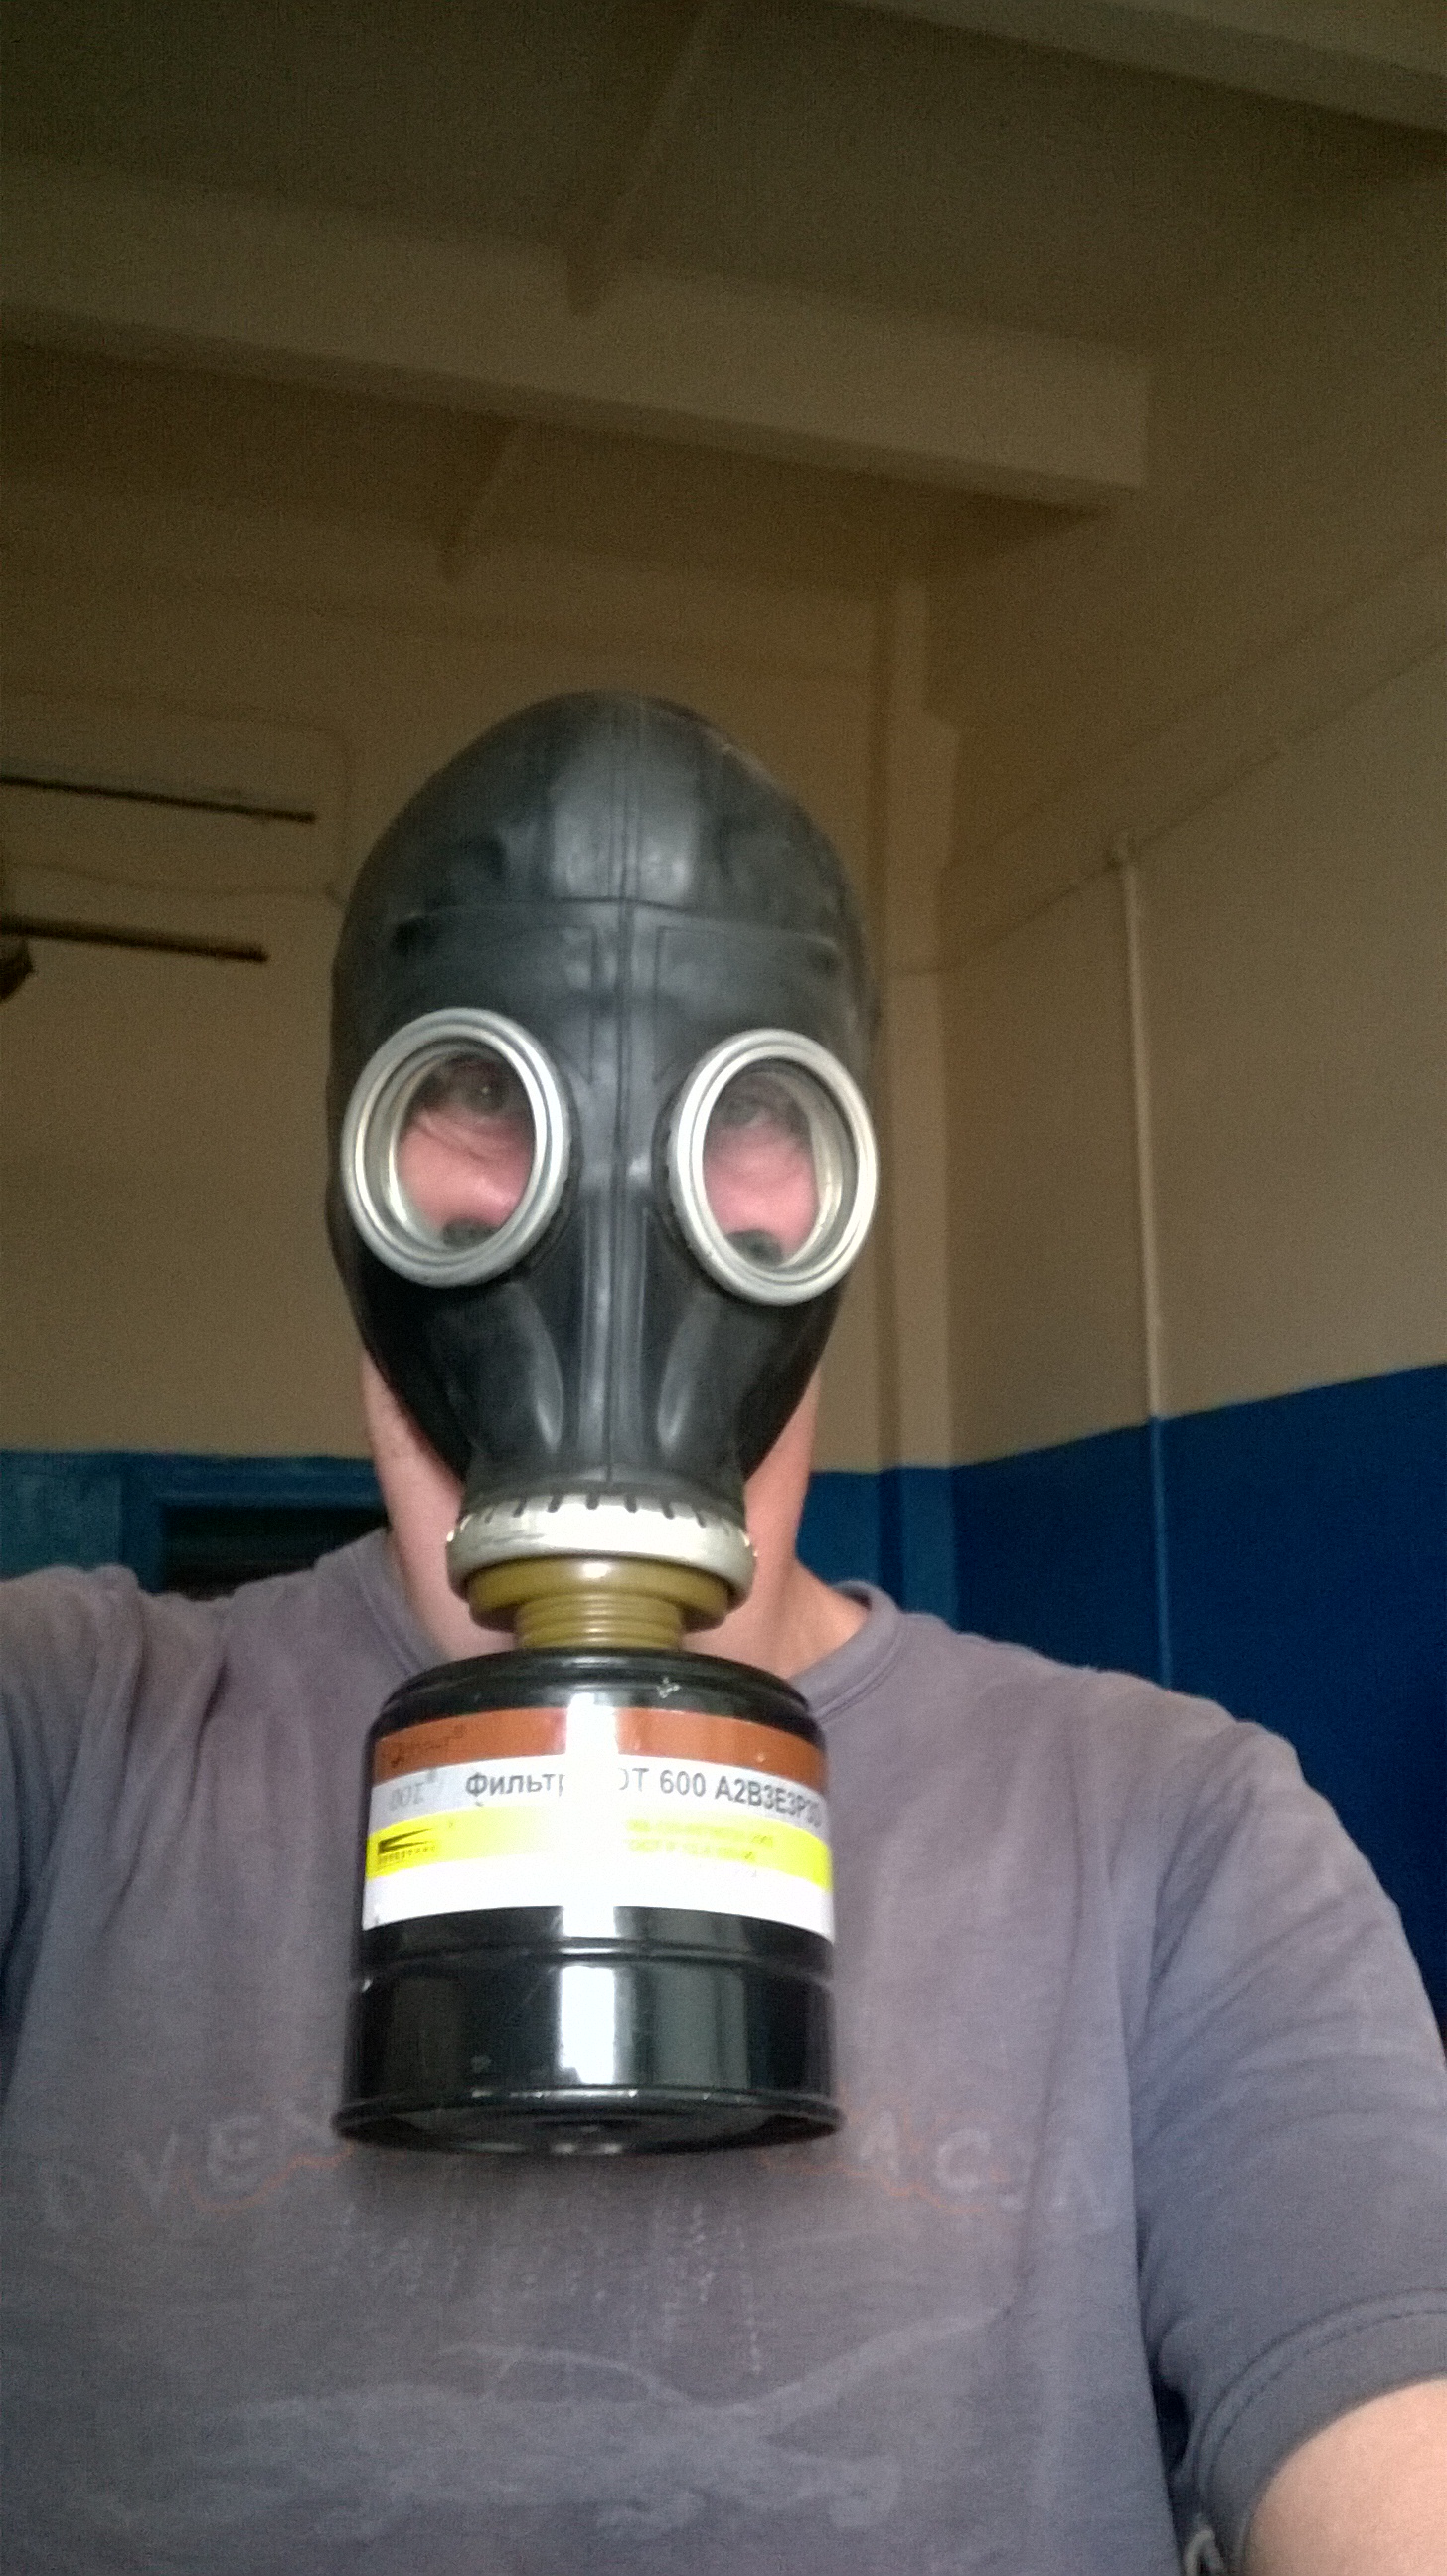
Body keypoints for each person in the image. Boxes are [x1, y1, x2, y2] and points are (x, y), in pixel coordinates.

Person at [2, 696, 1445, 2576]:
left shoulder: (1179, 1840)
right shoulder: (67, 1740)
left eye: (744, 1117)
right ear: (360, 1172)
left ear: (835, 1191)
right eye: (483, 1098)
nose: (605, 1229)